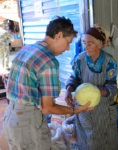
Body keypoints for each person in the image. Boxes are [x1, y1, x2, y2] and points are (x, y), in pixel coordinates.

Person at [3, 16, 93, 150]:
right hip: (28, 121)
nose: (68, 48)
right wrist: (77, 110)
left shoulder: (27, 49)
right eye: (67, 42)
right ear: (59, 35)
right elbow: (47, 108)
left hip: (11, 117)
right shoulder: (49, 61)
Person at [65, 24, 118, 150]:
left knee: (107, 143)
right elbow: (74, 78)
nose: (85, 47)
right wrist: (68, 90)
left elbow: (113, 86)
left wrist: (100, 91)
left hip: (104, 112)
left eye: (90, 43)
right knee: (87, 143)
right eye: (84, 43)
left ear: (100, 44)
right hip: (85, 111)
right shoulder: (80, 60)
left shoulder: (110, 61)